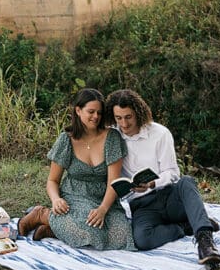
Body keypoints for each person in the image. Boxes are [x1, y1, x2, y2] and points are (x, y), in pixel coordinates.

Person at [105, 88, 220, 265]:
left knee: (186, 182)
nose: (124, 124)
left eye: (128, 117)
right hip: (142, 205)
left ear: (138, 113)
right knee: (142, 240)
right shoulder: (112, 137)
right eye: (118, 118)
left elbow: (173, 172)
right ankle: (185, 226)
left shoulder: (159, 133)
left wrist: (152, 183)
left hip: (169, 197)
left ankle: (205, 242)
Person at [18, 88, 135, 251]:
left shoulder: (112, 138)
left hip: (104, 198)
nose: (96, 117)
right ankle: (42, 214)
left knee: (123, 236)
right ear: (78, 110)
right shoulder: (66, 140)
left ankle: (54, 230)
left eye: (99, 113)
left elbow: (113, 182)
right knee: (92, 232)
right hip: (74, 195)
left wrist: (103, 209)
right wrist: (56, 200)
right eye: (91, 112)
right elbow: (52, 180)